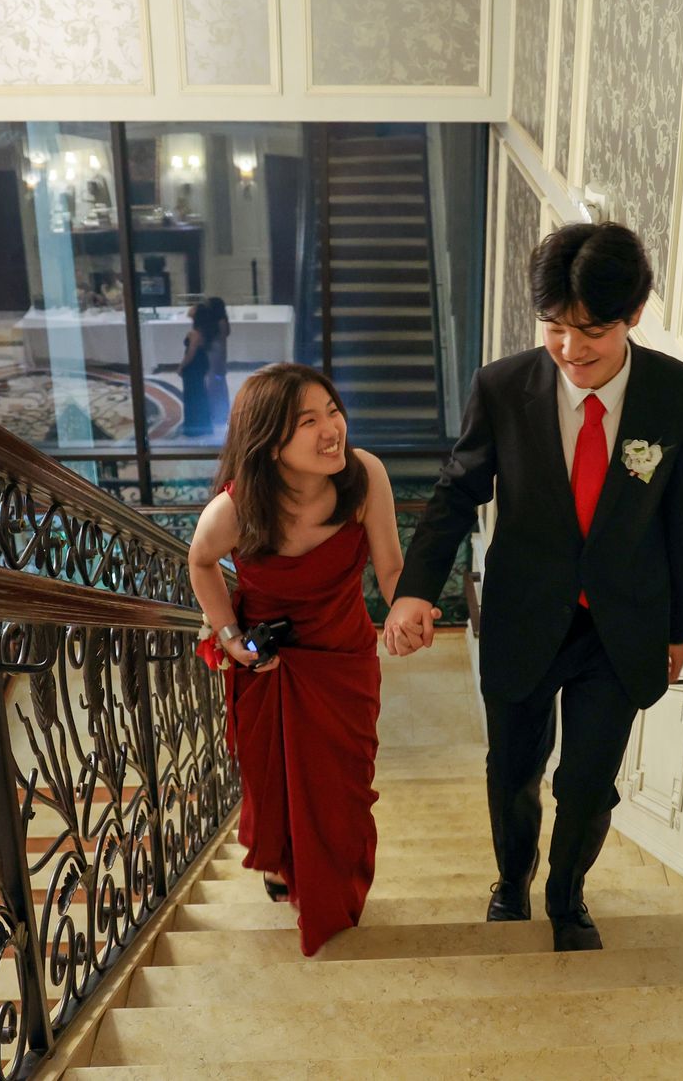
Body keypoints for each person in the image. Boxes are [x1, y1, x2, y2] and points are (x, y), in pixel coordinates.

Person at [383, 222, 683, 953]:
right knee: (513, 771)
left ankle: (568, 896)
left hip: (620, 626)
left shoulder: (680, 396)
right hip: (525, 613)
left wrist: (677, 628)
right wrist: (414, 589)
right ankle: (512, 880)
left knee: (588, 781)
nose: (570, 348)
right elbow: (455, 492)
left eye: (591, 330)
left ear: (634, 313)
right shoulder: (504, 387)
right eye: (555, 327)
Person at [187, 363, 415, 956]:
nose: (331, 429)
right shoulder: (235, 508)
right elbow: (201, 562)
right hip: (271, 667)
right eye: (308, 421)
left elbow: (391, 569)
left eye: (332, 411)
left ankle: (333, 893)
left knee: (344, 784)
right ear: (270, 442)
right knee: (273, 777)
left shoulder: (365, 477)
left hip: (343, 660)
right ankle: (282, 860)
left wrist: (406, 609)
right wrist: (229, 636)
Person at [178, 300, 225, 437]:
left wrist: (181, 366)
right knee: (199, 392)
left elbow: (191, 352)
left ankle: (193, 425)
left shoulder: (195, 333)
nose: (191, 308)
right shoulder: (203, 332)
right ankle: (202, 423)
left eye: (194, 308)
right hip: (200, 364)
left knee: (192, 394)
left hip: (193, 365)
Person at [203, 297, 232, 426]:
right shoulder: (214, 320)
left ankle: (220, 412)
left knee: (216, 382)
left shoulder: (221, 322)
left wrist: (223, 360)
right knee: (213, 382)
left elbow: (223, 342)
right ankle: (214, 411)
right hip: (213, 352)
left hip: (217, 353)